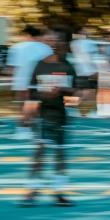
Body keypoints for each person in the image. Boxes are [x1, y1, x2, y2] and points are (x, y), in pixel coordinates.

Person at [20, 28, 76, 207]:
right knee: (39, 153)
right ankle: (31, 191)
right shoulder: (39, 65)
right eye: (51, 40)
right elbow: (31, 92)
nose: (54, 43)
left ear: (64, 44)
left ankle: (59, 192)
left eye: (58, 40)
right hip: (41, 115)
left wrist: (63, 91)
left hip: (59, 115)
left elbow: (77, 94)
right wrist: (27, 114)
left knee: (59, 154)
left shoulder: (68, 66)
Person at [7, 25, 52, 139]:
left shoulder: (15, 47)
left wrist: (13, 80)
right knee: (35, 105)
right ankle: (30, 126)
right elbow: (50, 66)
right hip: (41, 79)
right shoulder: (46, 48)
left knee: (23, 104)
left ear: (27, 35)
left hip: (21, 78)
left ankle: (23, 127)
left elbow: (12, 68)